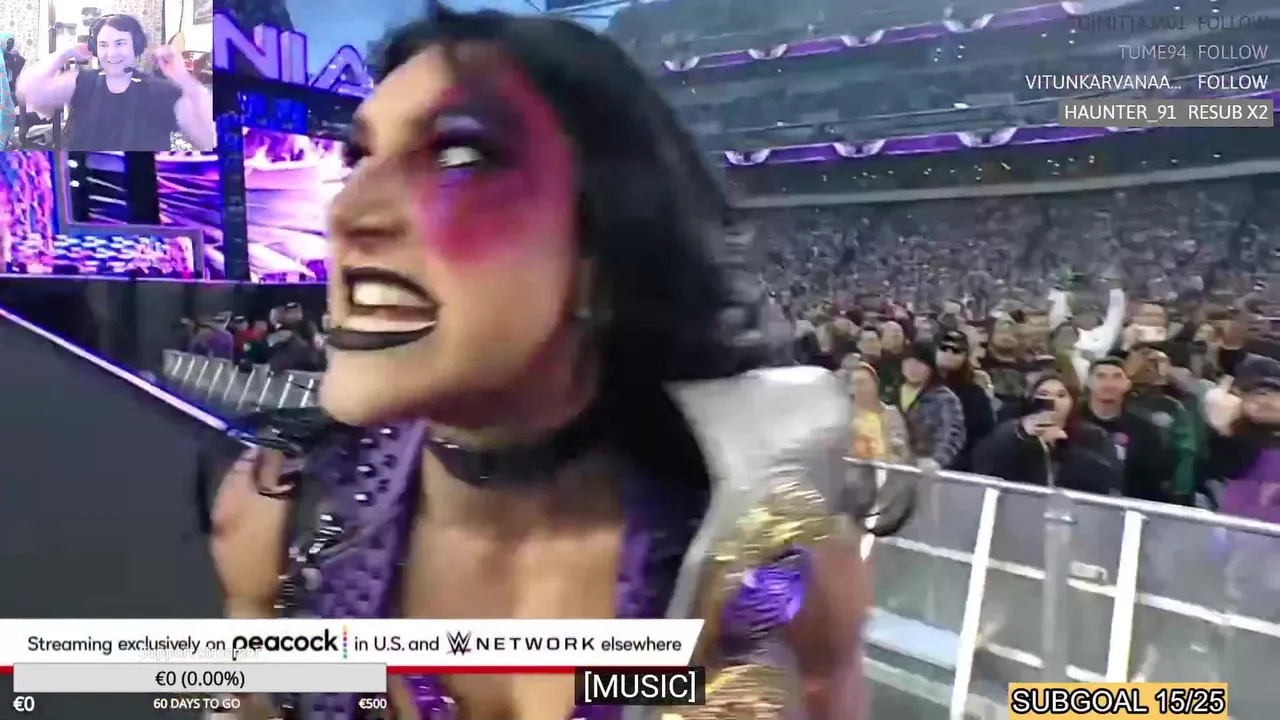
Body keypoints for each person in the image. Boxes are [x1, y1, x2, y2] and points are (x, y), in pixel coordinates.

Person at [207, 9, 886, 720]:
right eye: (357, 159)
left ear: (605, 245)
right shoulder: (276, 519)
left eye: (458, 156)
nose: (345, 212)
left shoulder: (772, 562)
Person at [14, 14, 215, 151]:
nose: (111, 54)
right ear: (95, 49)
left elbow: (208, 140)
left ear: (136, 46)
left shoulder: (162, 91)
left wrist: (184, 79)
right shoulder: (81, 81)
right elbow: (27, 90)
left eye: (120, 43)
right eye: (103, 45)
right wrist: (63, 54)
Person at [973, 374, 1123, 494]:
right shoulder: (1011, 431)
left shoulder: (1093, 435)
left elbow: (1109, 476)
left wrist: (1062, 449)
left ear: (1072, 402)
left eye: (1061, 395)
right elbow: (984, 466)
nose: (1052, 400)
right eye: (1043, 394)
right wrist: (1023, 439)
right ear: (1032, 401)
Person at [1081, 357, 1172, 502]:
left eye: (1117, 377)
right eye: (1101, 376)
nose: (1109, 384)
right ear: (1088, 382)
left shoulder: (1145, 430)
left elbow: (1153, 482)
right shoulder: (1073, 422)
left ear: (1128, 384)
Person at [898, 340, 966, 470]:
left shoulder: (944, 398)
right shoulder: (890, 392)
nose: (913, 368)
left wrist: (937, 460)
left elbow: (952, 433)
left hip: (926, 468)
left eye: (920, 363)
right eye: (909, 362)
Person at [935, 329, 996, 471]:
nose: (949, 354)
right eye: (944, 348)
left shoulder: (975, 395)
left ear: (965, 356)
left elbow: (982, 438)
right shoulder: (917, 385)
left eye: (956, 351)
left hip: (957, 469)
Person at [849, 362, 909, 462]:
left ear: (875, 384)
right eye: (855, 383)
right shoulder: (845, 416)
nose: (859, 387)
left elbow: (900, 447)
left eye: (863, 382)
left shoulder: (891, 413)